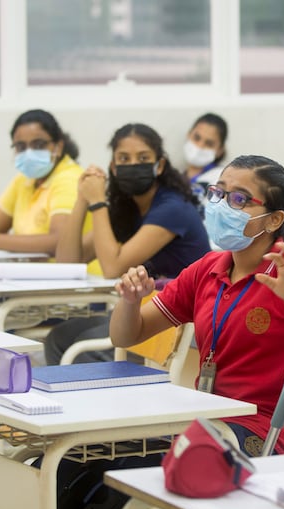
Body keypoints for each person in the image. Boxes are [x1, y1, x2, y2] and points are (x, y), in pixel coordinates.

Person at [110, 154, 284, 455]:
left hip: (269, 432)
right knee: (96, 457)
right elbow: (126, 335)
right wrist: (130, 302)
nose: (222, 206)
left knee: (166, 465)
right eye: (218, 193)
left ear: (274, 219)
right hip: (207, 421)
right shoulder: (208, 268)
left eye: (239, 199)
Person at [45, 123, 210, 365]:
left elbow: (112, 268)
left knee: (84, 351)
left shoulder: (172, 208)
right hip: (139, 310)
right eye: (124, 158)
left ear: (160, 165)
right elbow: (68, 262)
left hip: (179, 320)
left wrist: (98, 202)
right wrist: (83, 199)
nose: (133, 165)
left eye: (143, 158)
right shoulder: (126, 207)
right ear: (113, 167)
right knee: (59, 338)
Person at [0, 109, 81, 254]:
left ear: (58, 146)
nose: (29, 153)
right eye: (21, 147)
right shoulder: (24, 180)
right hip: (27, 270)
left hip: (72, 273)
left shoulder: (70, 178)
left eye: (38, 145)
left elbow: (60, 241)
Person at [182, 112, 228, 211]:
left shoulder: (221, 178)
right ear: (188, 135)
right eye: (197, 138)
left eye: (209, 143)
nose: (200, 146)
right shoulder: (176, 179)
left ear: (220, 150)